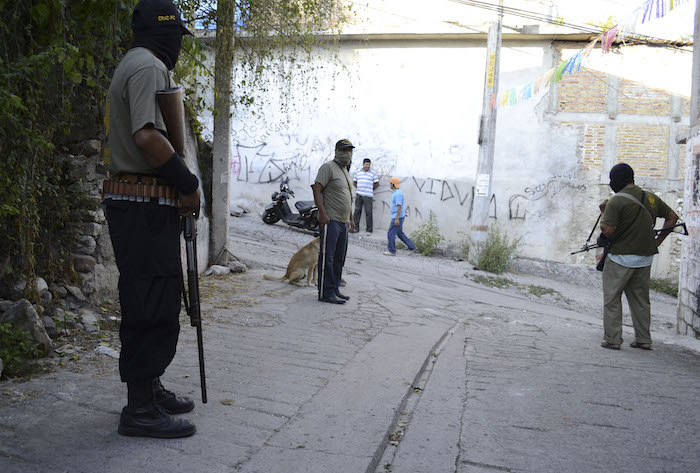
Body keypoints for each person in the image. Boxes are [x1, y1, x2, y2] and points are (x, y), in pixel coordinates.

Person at [103, 0, 200, 438]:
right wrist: (187, 182)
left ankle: (150, 387)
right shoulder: (148, 67)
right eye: (176, 36)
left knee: (151, 297)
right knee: (150, 302)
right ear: (165, 34)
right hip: (141, 207)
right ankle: (140, 409)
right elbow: (146, 136)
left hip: (139, 206)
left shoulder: (135, 62)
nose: (176, 45)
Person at [597, 163, 678, 351]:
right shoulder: (649, 197)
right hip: (645, 258)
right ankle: (644, 339)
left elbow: (608, 231)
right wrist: (658, 241)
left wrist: (604, 213)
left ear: (617, 179)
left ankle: (613, 339)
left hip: (620, 258)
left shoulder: (615, 201)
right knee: (640, 300)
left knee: (612, 298)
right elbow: (672, 217)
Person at [313, 139, 356, 304]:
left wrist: (350, 219)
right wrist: (322, 214)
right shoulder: (328, 167)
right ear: (337, 151)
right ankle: (325, 292)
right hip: (330, 220)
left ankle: (334, 288)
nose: (347, 154)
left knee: (339, 257)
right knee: (327, 257)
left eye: (350, 151)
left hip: (343, 222)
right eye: (344, 150)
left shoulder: (345, 170)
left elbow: (347, 197)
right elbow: (317, 190)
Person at [384, 177, 418, 256]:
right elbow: (400, 205)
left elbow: (399, 206)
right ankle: (412, 247)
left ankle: (392, 251)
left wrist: (397, 219)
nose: (389, 184)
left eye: (390, 183)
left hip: (397, 217)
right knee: (399, 233)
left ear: (392, 184)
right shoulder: (397, 192)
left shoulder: (397, 194)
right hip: (399, 216)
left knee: (391, 233)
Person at [352, 158, 379, 235]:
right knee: (357, 211)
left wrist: (370, 189)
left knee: (368, 212)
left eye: (369, 165)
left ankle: (369, 230)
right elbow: (354, 182)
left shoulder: (373, 173)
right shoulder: (358, 172)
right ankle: (355, 228)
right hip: (359, 194)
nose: (367, 166)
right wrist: (359, 188)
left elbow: (377, 183)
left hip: (368, 195)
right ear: (363, 164)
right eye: (366, 164)